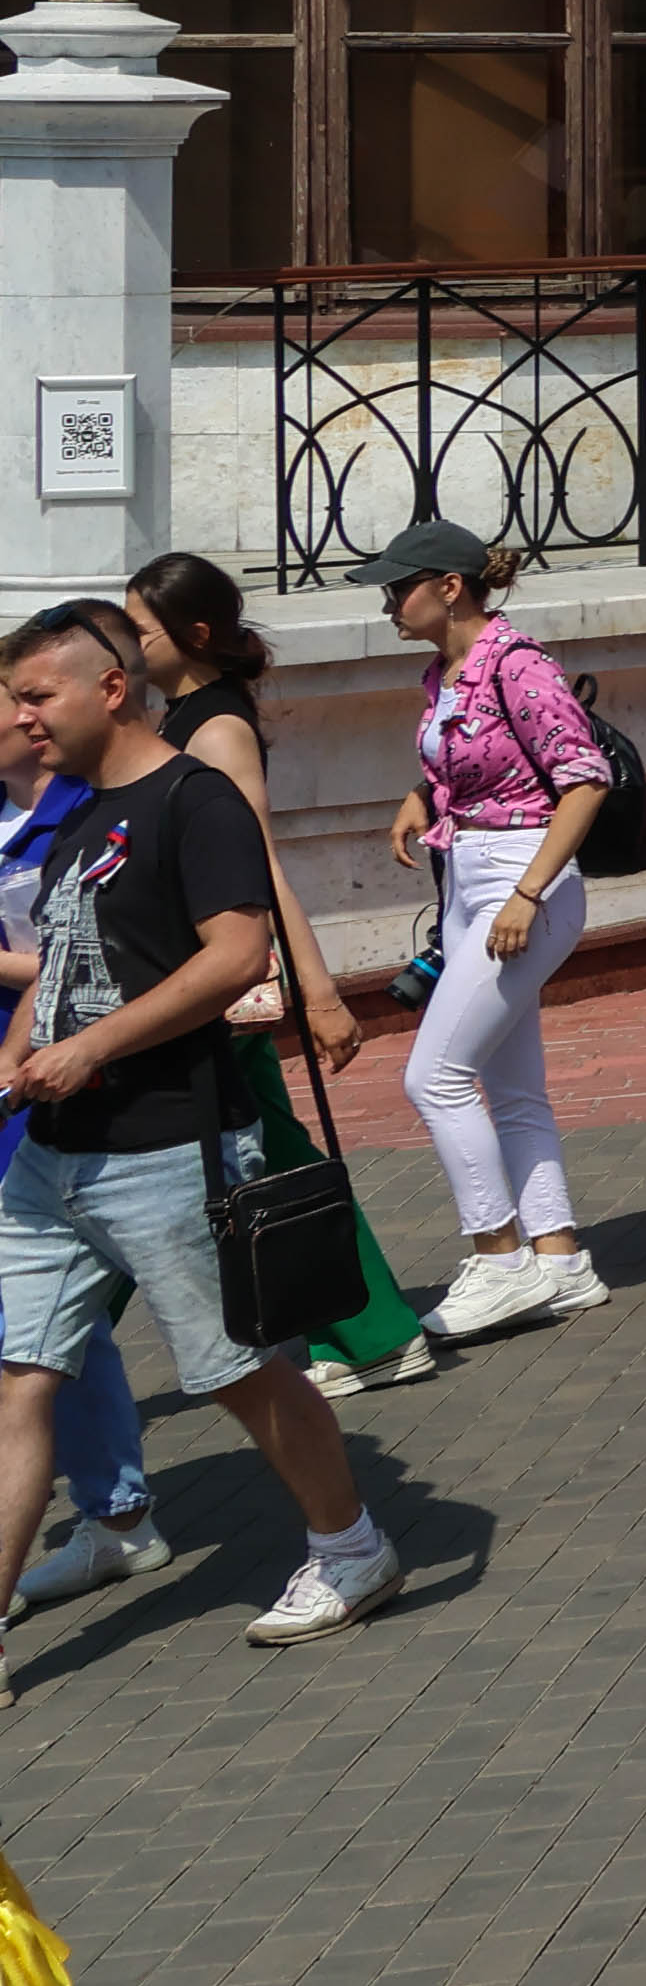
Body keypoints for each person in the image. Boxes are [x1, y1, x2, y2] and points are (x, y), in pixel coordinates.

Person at [0, 602, 403, 1662]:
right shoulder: (81, 815)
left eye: (36, 694)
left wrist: (96, 1048)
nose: (21, 716)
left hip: (167, 1146)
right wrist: (22, 1047)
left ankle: (351, 1545)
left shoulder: (192, 796)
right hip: (52, 1160)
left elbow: (235, 957)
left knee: (239, 1371)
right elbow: (63, 963)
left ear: (110, 687)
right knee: (17, 1375)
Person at [347, 521, 619, 1348]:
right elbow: (469, 765)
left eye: (401, 586)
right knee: (510, 1086)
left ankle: (500, 1262)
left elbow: (583, 780)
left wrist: (527, 895)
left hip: (520, 882)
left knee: (434, 1078)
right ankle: (562, 1258)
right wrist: (422, 798)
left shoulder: (517, 664)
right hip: (474, 878)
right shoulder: (447, 672)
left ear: (451, 587)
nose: (390, 601)